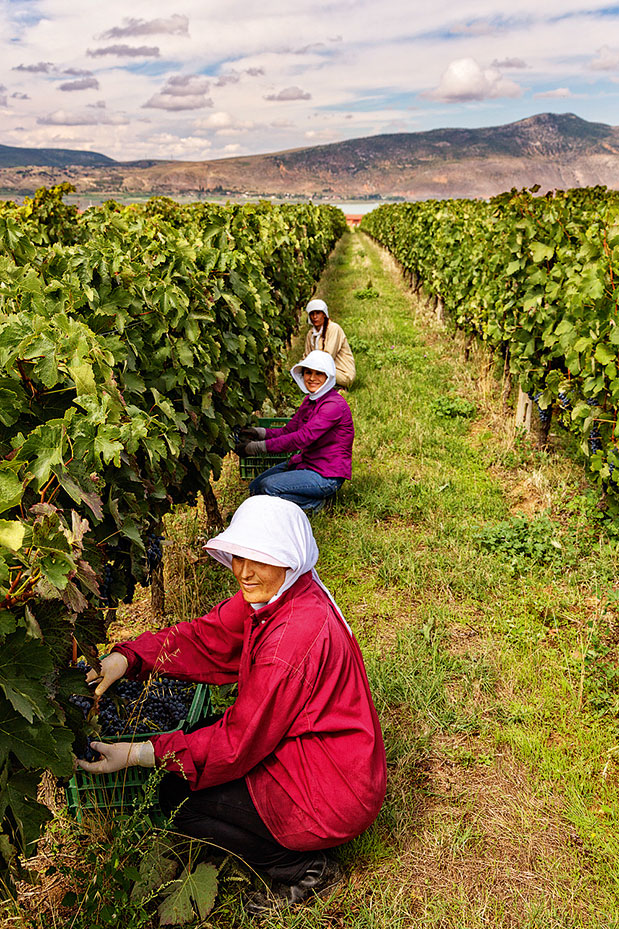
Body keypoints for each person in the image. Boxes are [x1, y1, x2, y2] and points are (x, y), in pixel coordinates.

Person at [77, 496, 386, 915]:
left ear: (289, 558)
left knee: (177, 795)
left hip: (330, 793)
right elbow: (205, 639)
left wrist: (140, 753)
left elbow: (237, 743)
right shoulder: (284, 595)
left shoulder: (290, 640)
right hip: (329, 758)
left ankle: (302, 868)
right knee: (194, 746)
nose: (243, 571)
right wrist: (128, 658)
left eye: (259, 559)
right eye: (239, 556)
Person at [238, 350, 353, 514]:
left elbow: (301, 438)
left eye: (319, 373)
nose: (312, 378)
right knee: (255, 489)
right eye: (308, 372)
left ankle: (316, 503)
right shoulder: (310, 400)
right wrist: (258, 433)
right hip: (306, 463)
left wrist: (256, 448)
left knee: (268, 488)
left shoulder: (333, 406)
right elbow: (289, 430)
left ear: (328, 376)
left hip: (326, 475)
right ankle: (307, 497)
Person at [304, 298, 356, 388]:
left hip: (342, 373)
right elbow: (306, 356)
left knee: (314, 372)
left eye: (318, 313)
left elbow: (328, 356)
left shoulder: (333, 329)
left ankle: (337, 387)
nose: (315, 317)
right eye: (312, 314)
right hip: (321, 369)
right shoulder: (311, 334)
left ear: (324, 314)